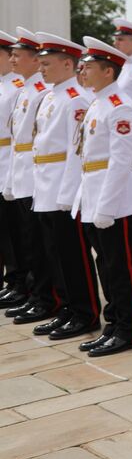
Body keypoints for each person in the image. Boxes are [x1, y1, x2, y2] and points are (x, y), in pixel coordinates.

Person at [70, 37, 132, 356]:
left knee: (121, 267)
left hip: (115, 199)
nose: (82, 72)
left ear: (108, 71)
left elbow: (119, 161)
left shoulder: (120, 107)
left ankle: (131, 329)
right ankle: (113, 324)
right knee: (107, 266)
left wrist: (105, 206)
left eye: (87, 67)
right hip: (94, 193)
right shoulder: (97, 103)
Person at [27, 34, 98, 341]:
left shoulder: (75, 99)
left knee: (72, 256)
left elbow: (75, 151)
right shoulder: (51, 96)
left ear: (68, 64)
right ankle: (67, 309)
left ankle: (85, 313)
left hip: (62, 189)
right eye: (40, 63)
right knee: (54, 254)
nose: (41, 69)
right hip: (45, 185)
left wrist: (68, 195)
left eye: (47, 64)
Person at [0, 31, 34, 311]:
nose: (11, 59)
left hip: (11, 161)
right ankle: (13, 280)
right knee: (6, 230)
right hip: (4, 162)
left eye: (12, 55)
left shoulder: (17, 88)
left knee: (18, 232)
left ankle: (22, 282)